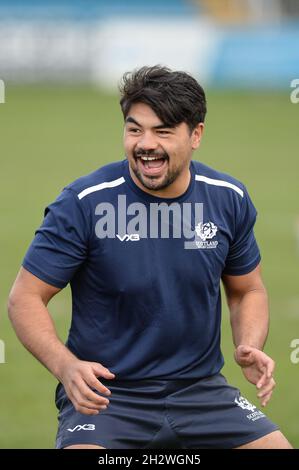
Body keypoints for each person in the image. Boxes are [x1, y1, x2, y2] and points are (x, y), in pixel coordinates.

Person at [8, 65, 292, 449]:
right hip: (108, 398)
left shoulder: (228, 198)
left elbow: (247, 290)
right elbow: (25, 296)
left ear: (196, 135)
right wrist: (66, 367)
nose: (145, 143)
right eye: (135, 128)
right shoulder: (84, 202)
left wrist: (249, 344)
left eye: (162, 131)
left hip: (203, 394)